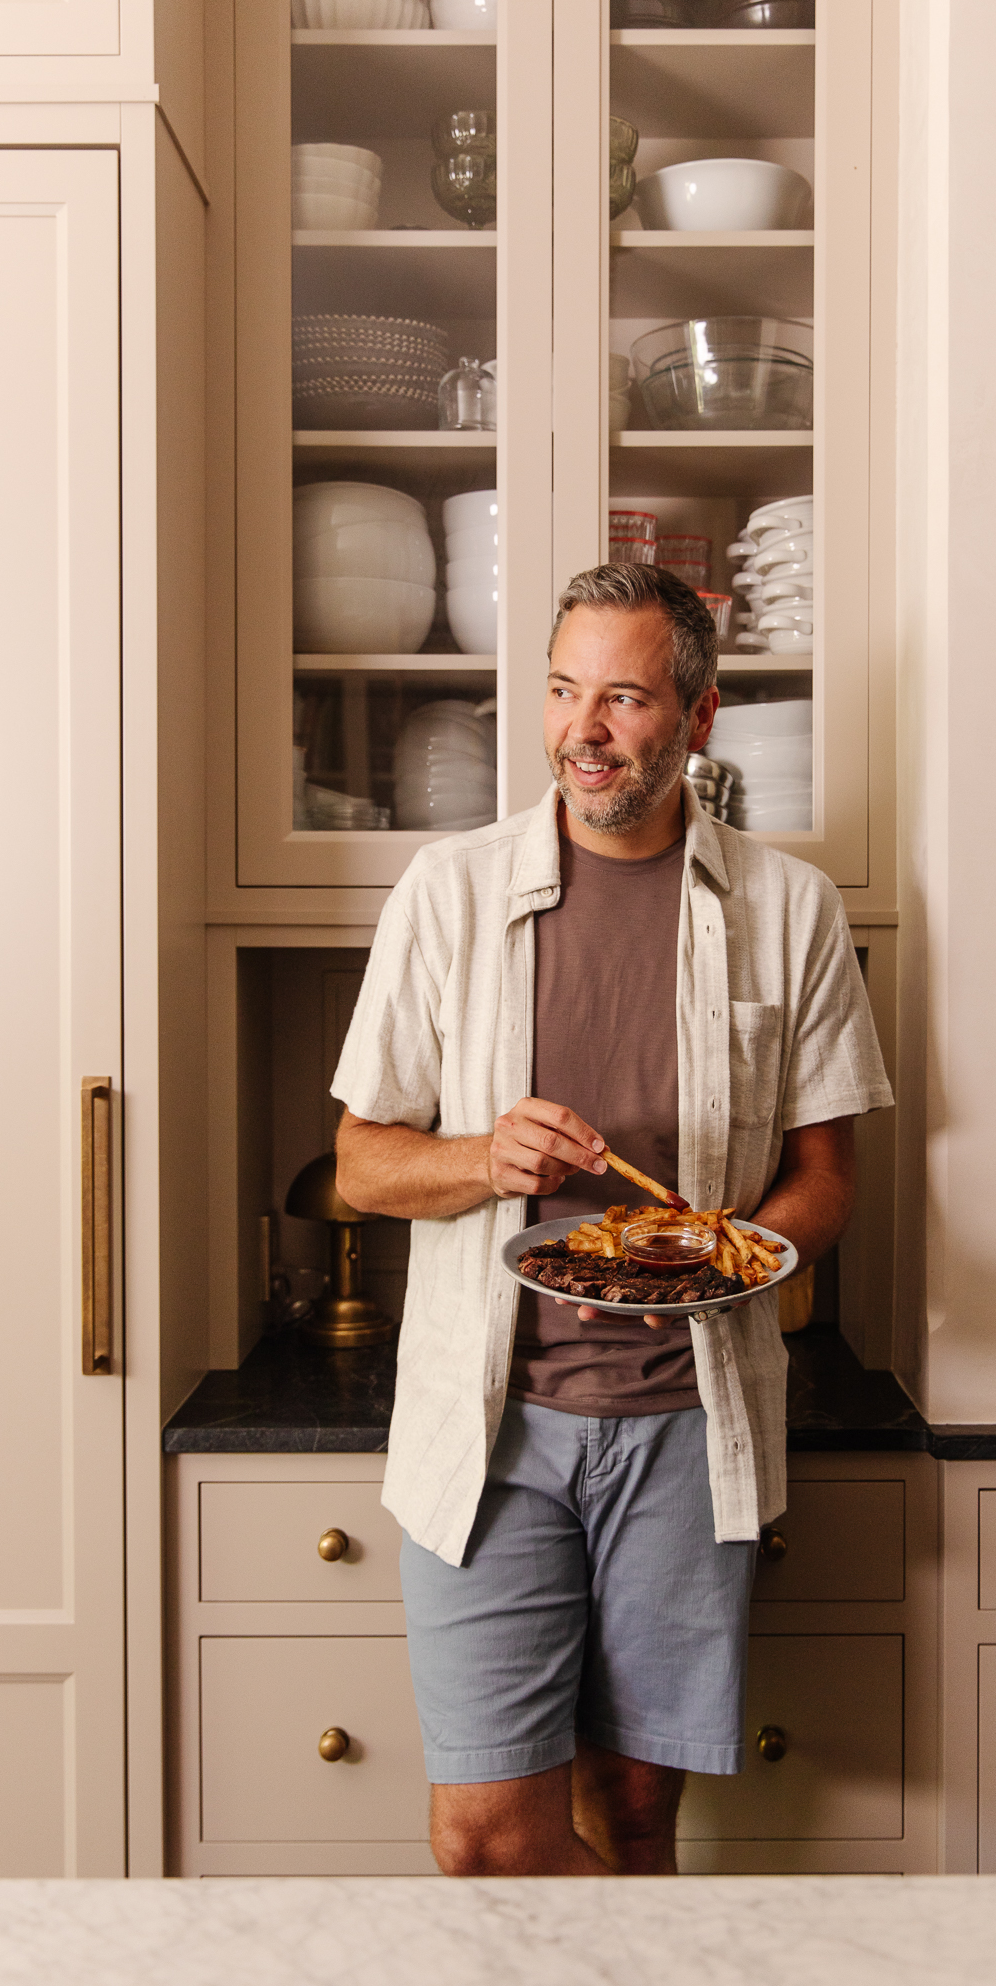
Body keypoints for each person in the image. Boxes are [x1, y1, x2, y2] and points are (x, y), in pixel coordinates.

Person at [332, 562, 893, 1876]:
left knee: (635, 1821)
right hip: (490, 1436)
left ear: (697, 719)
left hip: (687, 1435)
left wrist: (739, 1247)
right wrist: (479, 1155)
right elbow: (359, 1165)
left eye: (624, 697)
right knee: (483, 1842)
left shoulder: (787, 909)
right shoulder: (447, 894)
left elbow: (827, 1179)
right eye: (560, 690)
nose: (581, 729)